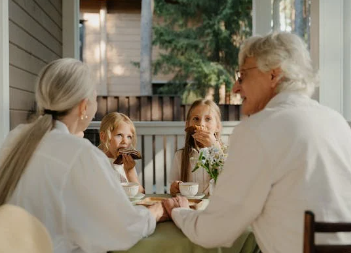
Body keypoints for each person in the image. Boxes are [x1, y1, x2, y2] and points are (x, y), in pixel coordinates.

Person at [167, 32, 351, 253]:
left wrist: (179, 211)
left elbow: (213, 231)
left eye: (242, 75)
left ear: (273, 74)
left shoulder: (257, 130)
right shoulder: (336, 122)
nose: (236, 87)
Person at [0, 58, 165, 253]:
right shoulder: (80, 153)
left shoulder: (16, 137)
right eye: (95, 98)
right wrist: (156, 212)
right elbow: (123, 230)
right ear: (84, 107)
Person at [169, 99, 223, 195]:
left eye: (208, 119)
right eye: (196, 119)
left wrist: (215, 147)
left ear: (218, 126)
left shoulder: (226, 154)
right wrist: (174, 187)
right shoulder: (180, 156)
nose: (201, 124)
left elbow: (230, 182)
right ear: (187, 125)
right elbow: (172, 187)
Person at [98, 112, 144, 193]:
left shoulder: (127, 163)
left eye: (129, 136)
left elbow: (141, 194)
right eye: (119, 135)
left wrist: (130, 172)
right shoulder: (98, 161)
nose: (125, 141)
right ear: (103, 137)